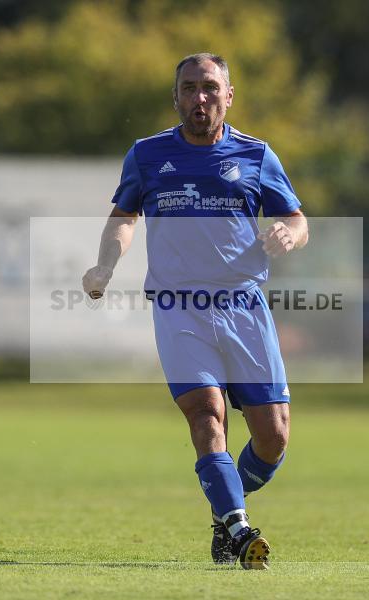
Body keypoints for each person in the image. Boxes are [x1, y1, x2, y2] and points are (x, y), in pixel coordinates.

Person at [82, 53, 308, 570]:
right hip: (179, 308)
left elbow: (297, 220)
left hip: (245, 308)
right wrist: (103, 268)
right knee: (208, 414)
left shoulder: (256, 156)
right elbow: (123, 218)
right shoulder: (147, 155)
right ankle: (238, 526)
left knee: (273, 437)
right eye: (189, 88)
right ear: (176, 96)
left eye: (210, 88)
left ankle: (223, 515)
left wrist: (286, 234)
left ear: (229, 96)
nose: (199, 98)